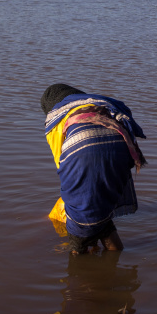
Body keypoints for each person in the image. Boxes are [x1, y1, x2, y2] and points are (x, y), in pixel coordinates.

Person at [41, 83, 146, 254]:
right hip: (121, 150)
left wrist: (70, 202)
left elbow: (62, 164)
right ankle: (113, 257)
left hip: (85, 152)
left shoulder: (56, 118)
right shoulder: (95, 104)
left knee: (79, 222)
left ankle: (79, 261)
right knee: (102, 213)